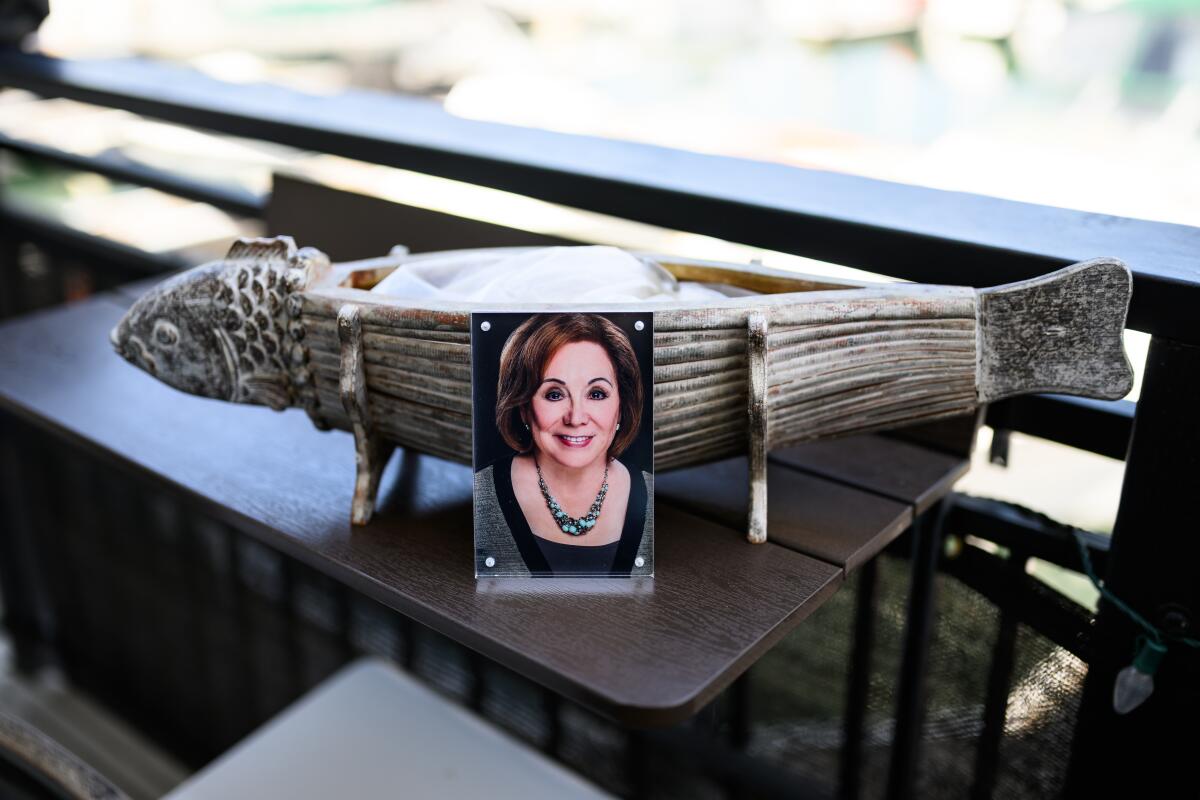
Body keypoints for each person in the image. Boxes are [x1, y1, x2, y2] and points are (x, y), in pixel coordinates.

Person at [474, 313, 652, 577]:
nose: (576, 417)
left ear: (621, 407)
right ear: (523, 407)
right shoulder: (479, 496)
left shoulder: (656, 496)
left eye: (596, 394)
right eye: (554, 394)